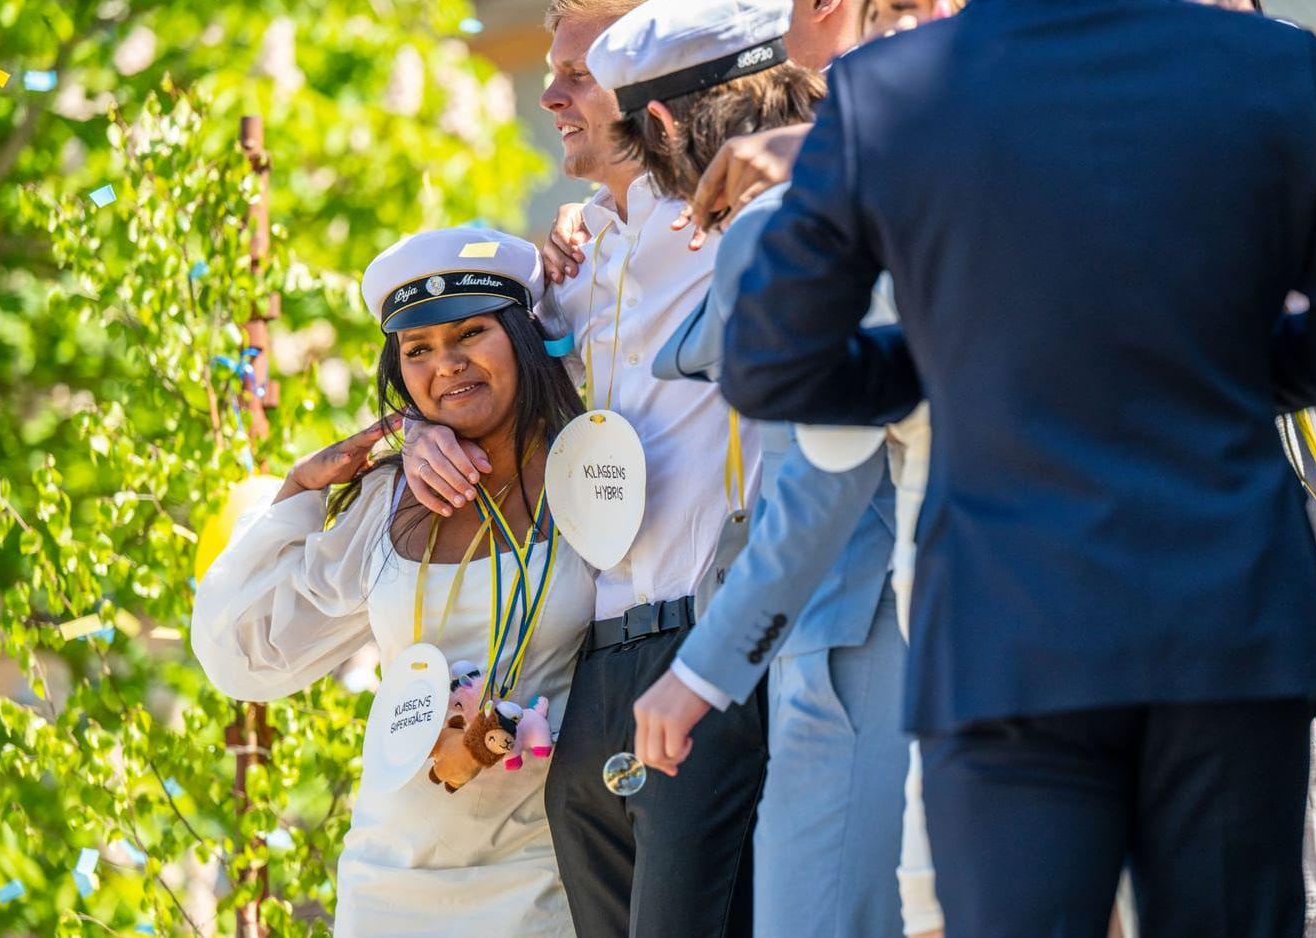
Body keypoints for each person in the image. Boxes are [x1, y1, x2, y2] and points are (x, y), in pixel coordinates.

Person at [719, 2, 1316, 935]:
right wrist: (1207, 375)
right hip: (1221, 622)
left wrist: (959, 372)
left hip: (1005, 628)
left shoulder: (889, 90)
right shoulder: (1265, 64)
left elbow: (773, 364)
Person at [403, 2, 776, 934]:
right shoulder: (570, 260)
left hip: (711, 641)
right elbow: (457, 368)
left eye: (579, 73)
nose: (550, 92)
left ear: (651, 95)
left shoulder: (726, 215)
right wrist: (404, 435)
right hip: (599, 669)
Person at [597, 2, 907, 934]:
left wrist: (702, 672)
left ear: (657, 125)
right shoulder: (890, 194)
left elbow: (825, 476)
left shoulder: (779, 229)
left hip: (856, 645)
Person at [191, 227, 594, 936]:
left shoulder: (591, 472)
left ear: (522, 339)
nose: (448, 364)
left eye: (472, 333)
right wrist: (303, 485)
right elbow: (247, 653)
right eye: (419, 350)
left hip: (544, 878)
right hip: (387, 886)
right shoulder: (389, 500)